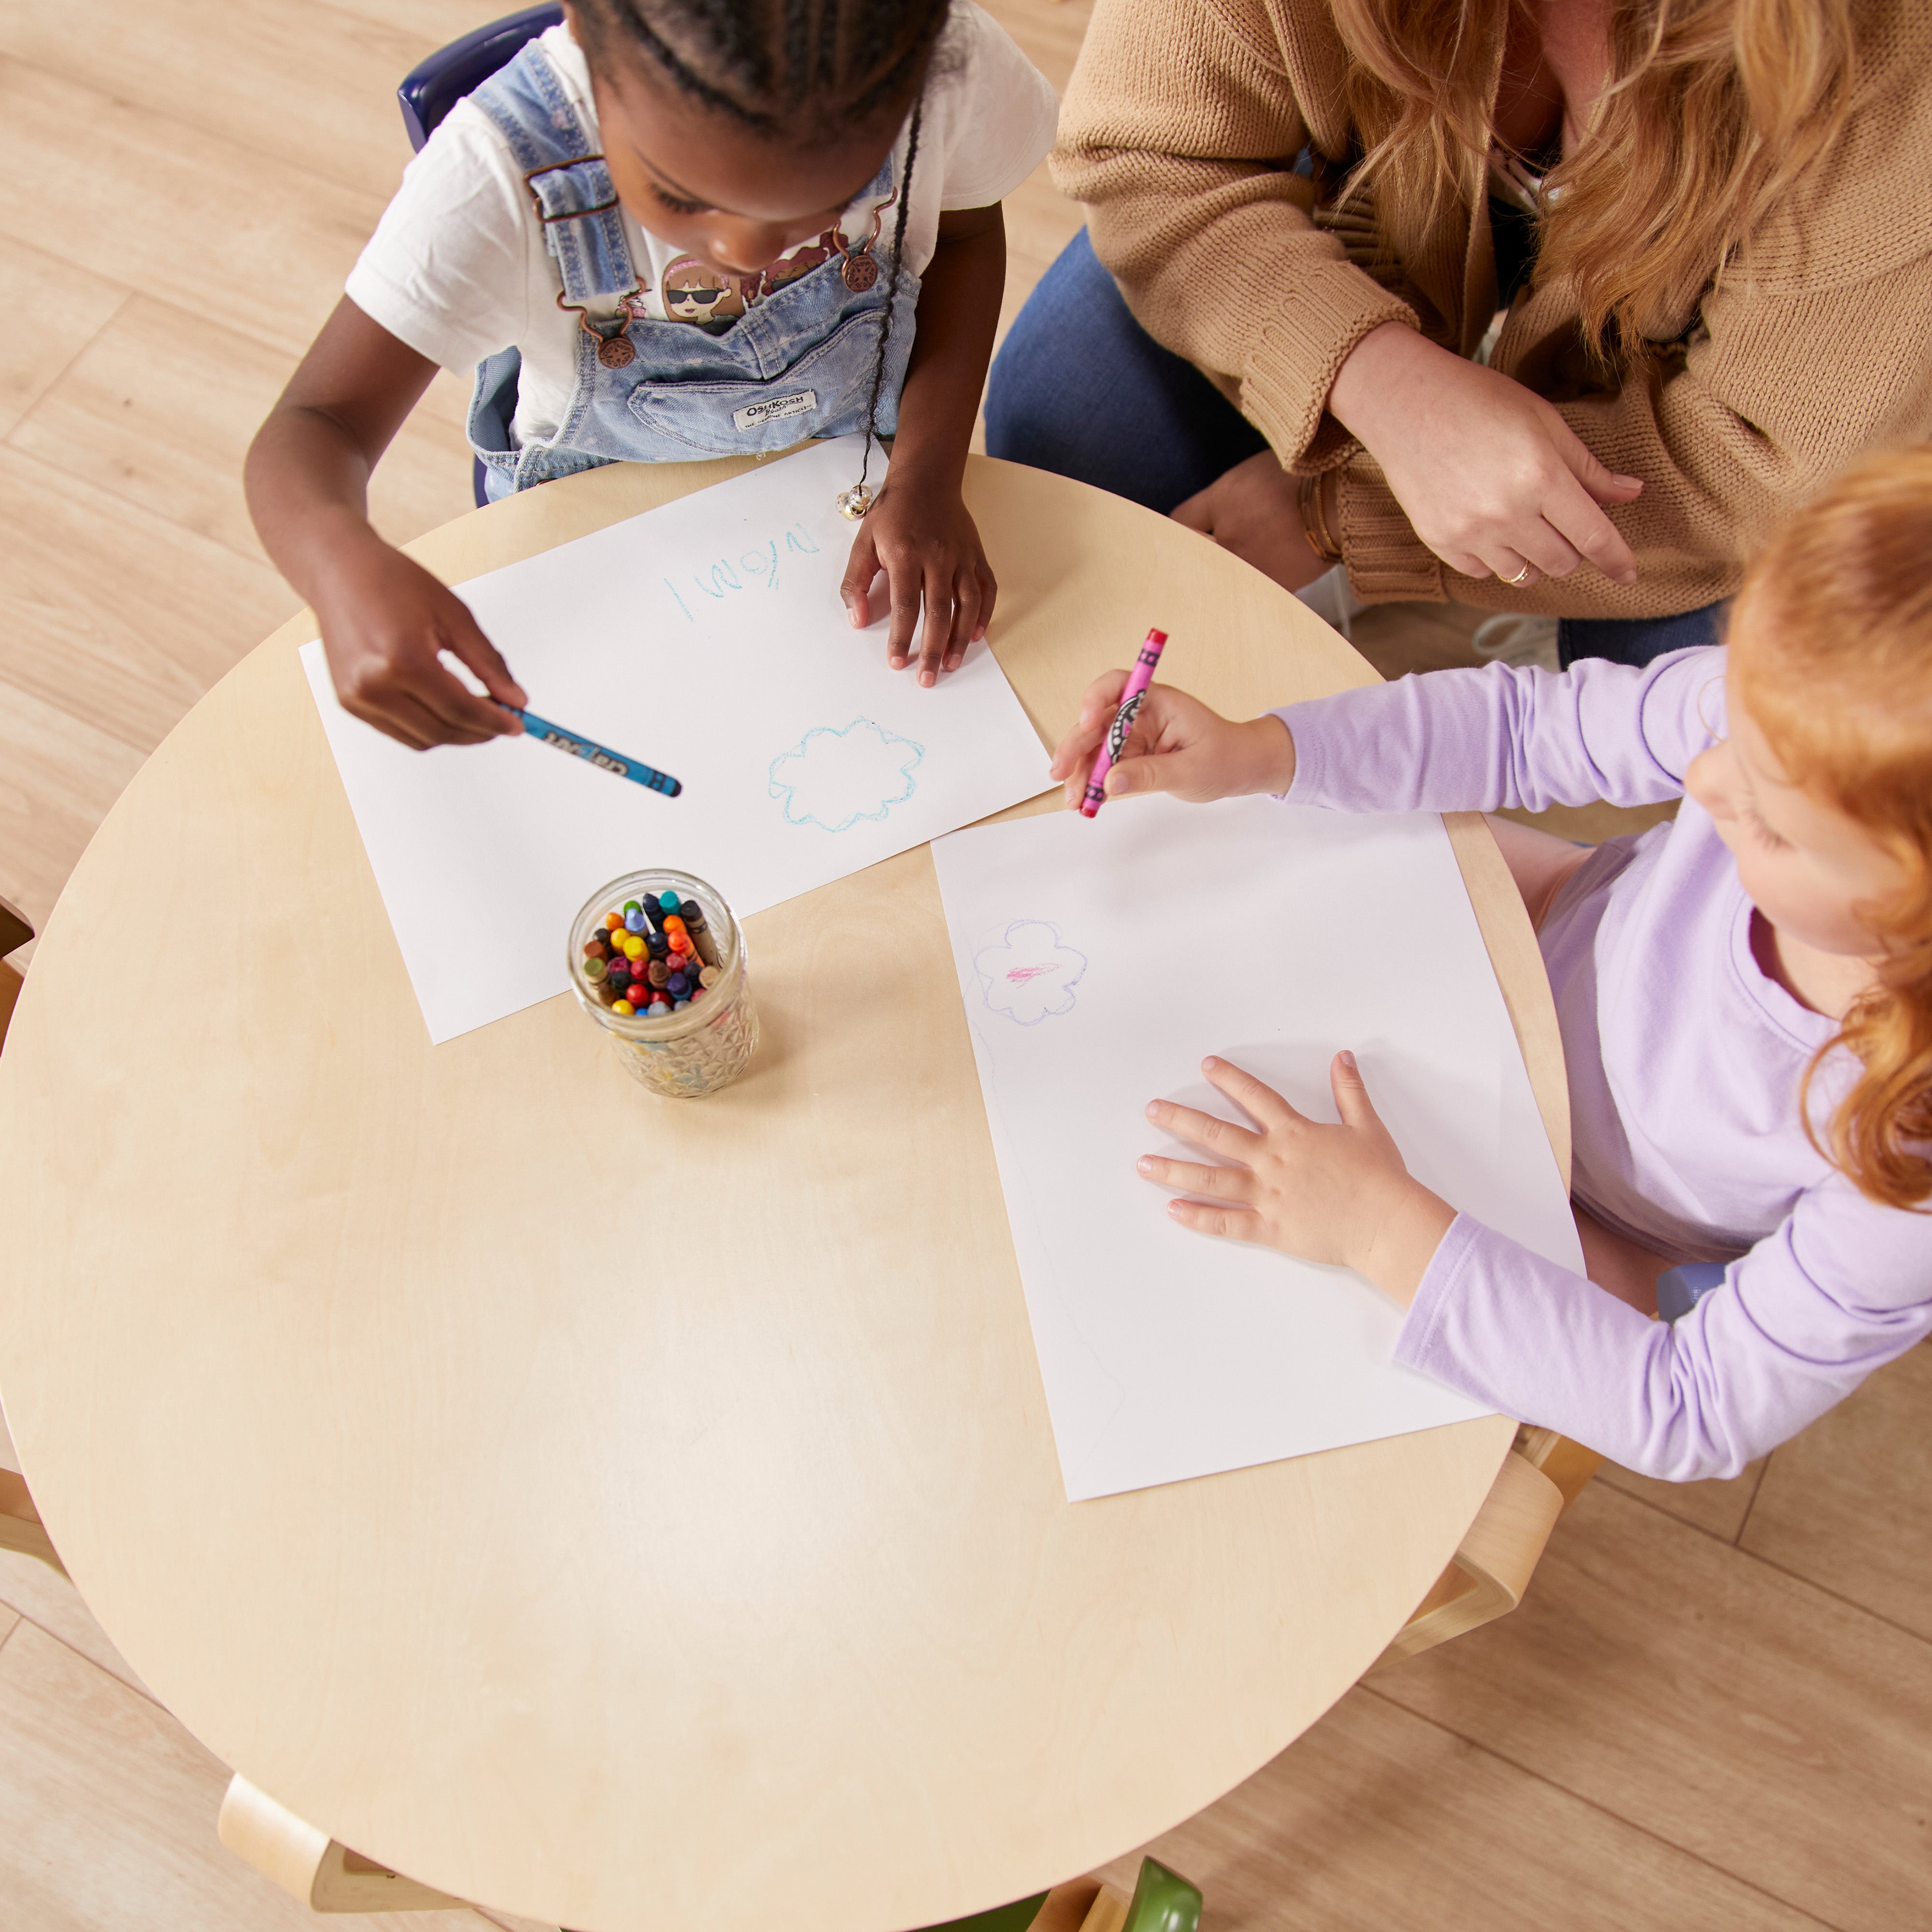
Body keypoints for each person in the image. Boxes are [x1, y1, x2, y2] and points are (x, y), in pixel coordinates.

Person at [1046, 446, 1932, 1480]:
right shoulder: (1777, 723)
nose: (1701, 776)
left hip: (1594, 1207)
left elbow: (1691, 1410)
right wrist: (1262, 749)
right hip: (1545, 925)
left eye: (1770, 826)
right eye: (1728, 713)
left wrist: (1380, 1227)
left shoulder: (1905, 1171)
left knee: (1299, 1345)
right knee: (1260, 854)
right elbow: (1521, 727)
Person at [989, 0, 1932, 670]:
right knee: (1060, 418)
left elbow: (1759, 468)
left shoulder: (1889, 62)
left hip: (1730, 358)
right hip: (1353, 193)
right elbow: (1144, 154)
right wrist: (1374, 380)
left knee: (1736, 674)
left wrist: (1336, 515)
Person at [246, 0, 1057, 749]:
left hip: (855, 491)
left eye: (830, 199)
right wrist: (338, 564)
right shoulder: (496, 175)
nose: (746, 251)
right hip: (590, 544)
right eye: (679, 196)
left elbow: (964, 238)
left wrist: (927, 474)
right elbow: (314, 426)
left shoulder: (945, 64)